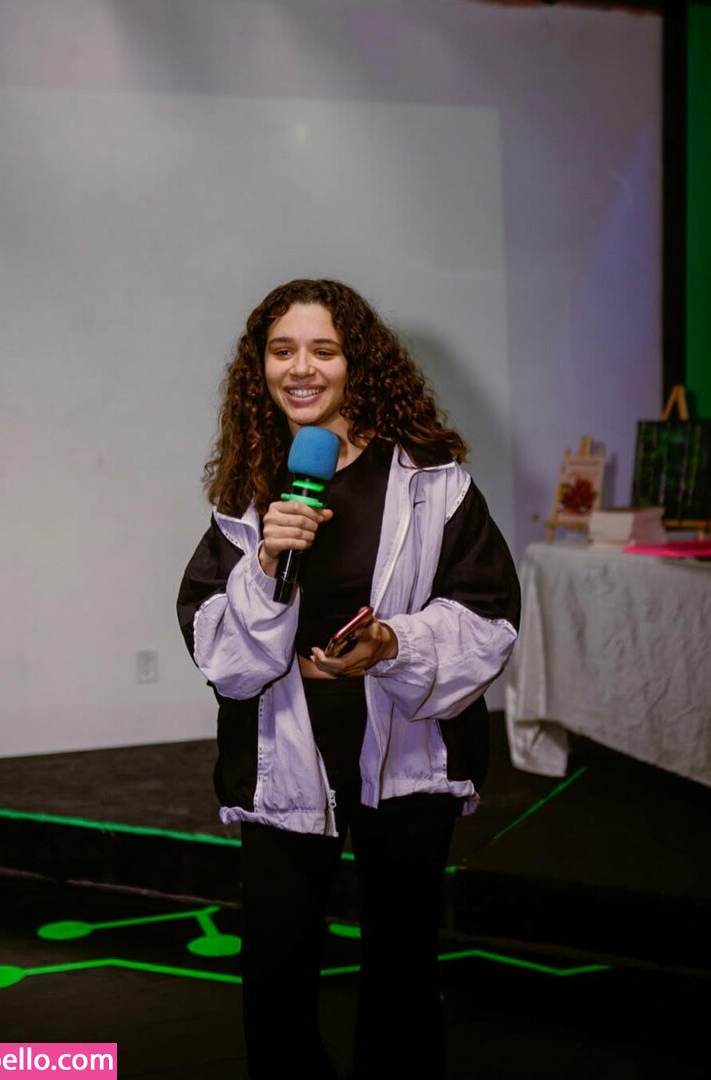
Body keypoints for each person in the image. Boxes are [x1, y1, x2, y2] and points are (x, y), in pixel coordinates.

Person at [176, 279, 520, 1079]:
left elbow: (488, 616)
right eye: (282, 350)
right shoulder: (252, 488)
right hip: (285, 750)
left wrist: (393, 643)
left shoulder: (433, 481)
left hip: (406, 745)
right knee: (274, 970)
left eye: (322, 350)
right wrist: (265, 561)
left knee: (402, 967)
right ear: (260, 367)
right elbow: (220, 652)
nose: (301, 368)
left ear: (357, 362)